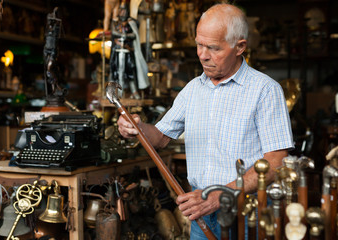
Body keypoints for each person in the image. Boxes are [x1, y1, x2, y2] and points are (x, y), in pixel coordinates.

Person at [117, 3, 294, 239]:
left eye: (213, 48)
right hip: (202, 211)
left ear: (239, 46)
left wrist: (222, 195)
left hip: (248, 210)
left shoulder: (264, 90)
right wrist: (137, 128)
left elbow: (277, 162)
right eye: (199, 44)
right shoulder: (193, 89)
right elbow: (159, 138)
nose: (202, 54)